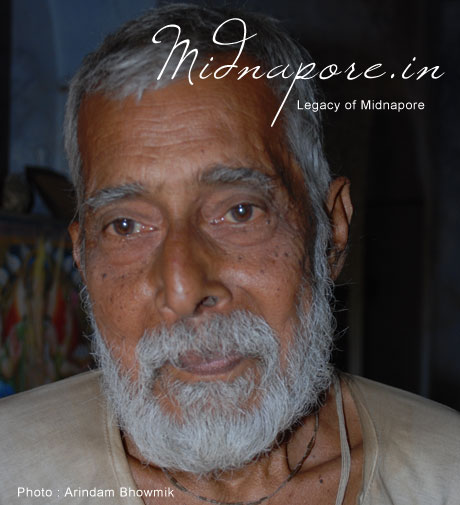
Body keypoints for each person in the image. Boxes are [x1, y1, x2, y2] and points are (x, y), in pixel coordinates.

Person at [1, 4, 459, 504]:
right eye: (126, 225)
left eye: (240, 212)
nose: (184, 290)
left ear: (330, 232)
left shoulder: (445, 475)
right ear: (83, 258)